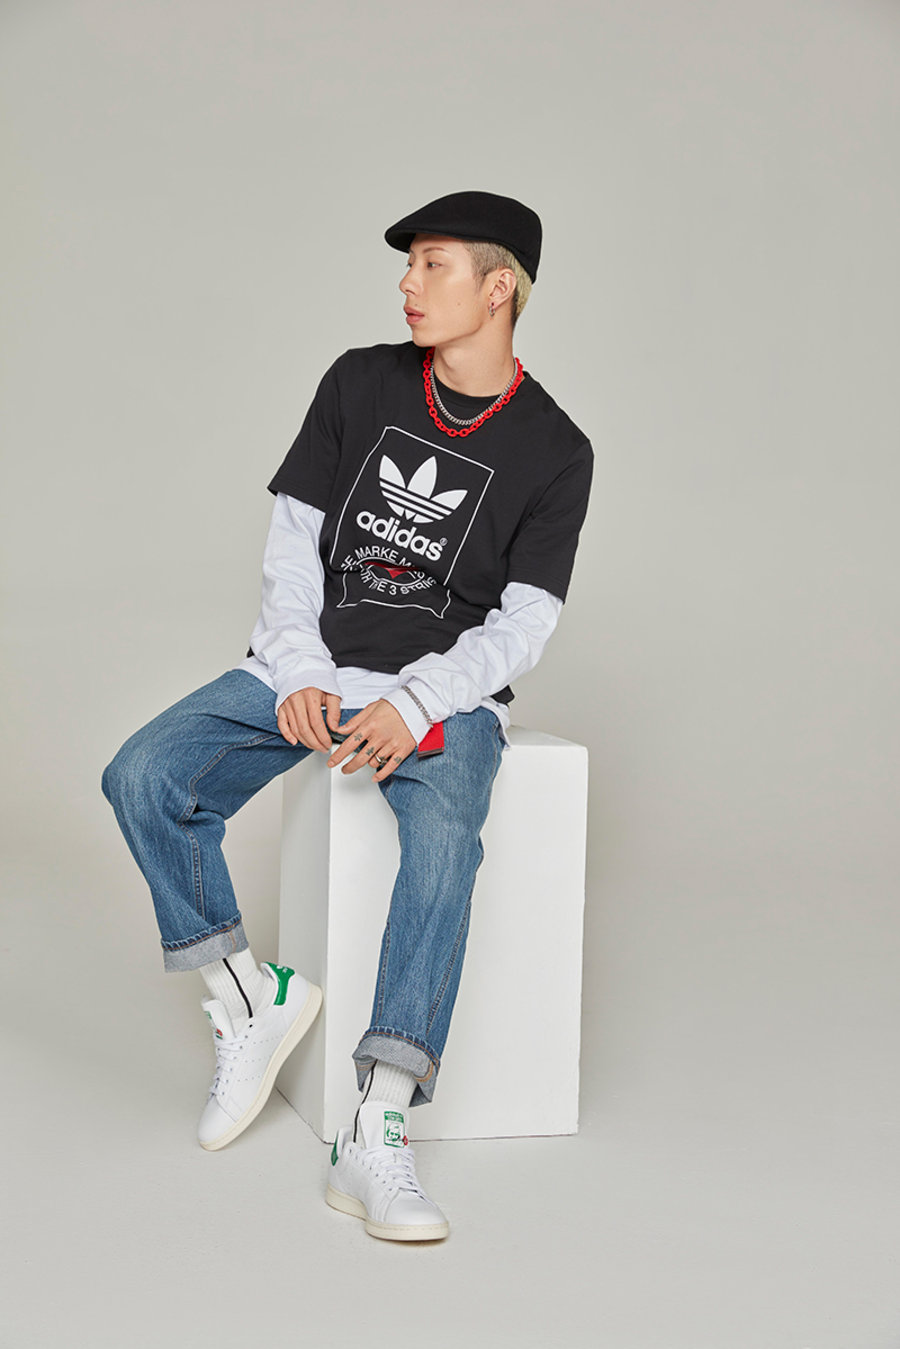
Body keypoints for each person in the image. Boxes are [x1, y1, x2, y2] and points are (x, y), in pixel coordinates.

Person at [101, 190, 593, 1243]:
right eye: (408, 264)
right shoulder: (360, 381)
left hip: (443, 696)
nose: (407, 283)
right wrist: (298, 668)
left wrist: (416, 699)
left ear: (497, 288)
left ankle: (377, 1124)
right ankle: (250, 996)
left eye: (432, 264)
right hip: (314, 669)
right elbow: (293, 544)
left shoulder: (557, 448)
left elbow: (523, 623)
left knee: (444, 840)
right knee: (143, 773)